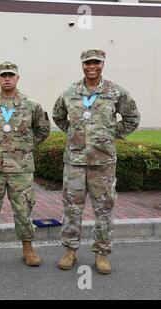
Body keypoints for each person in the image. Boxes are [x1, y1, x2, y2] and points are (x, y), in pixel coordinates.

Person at [52, 49, 140, 274]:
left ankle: (102, 253)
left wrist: (110, 135)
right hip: (75, 162)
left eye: (96, 62)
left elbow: (132, 118)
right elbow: (58, 115)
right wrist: (74, 135)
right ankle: (70, 250)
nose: (92, 66)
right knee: (72, 208)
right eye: (87, 62)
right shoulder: (70, 91)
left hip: (103, 163)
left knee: (104, 209)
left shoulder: (115, 92)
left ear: (102, 64)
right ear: (82, 65)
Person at [0, 62, 50, 266]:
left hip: (20, 169)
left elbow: (43, 129)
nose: (7, 78)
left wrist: (26, 147)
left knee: (23, 209)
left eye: (11, 75)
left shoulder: (31, 105)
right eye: (3, 75)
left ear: (17, 78)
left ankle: (28, 249)